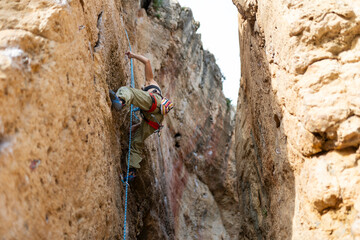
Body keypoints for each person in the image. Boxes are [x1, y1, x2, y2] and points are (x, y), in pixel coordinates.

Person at [109, 51, 166, 182]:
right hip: (154, 121)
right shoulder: (149, 93)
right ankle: (131, 172)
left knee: (129, 91)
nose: (143, 86)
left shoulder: (150, 81)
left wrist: (132, 55)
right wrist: (135, 127)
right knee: (136, 143)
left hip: (154, 103)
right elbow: (146, 120)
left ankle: (120, 100)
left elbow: (147, 61)